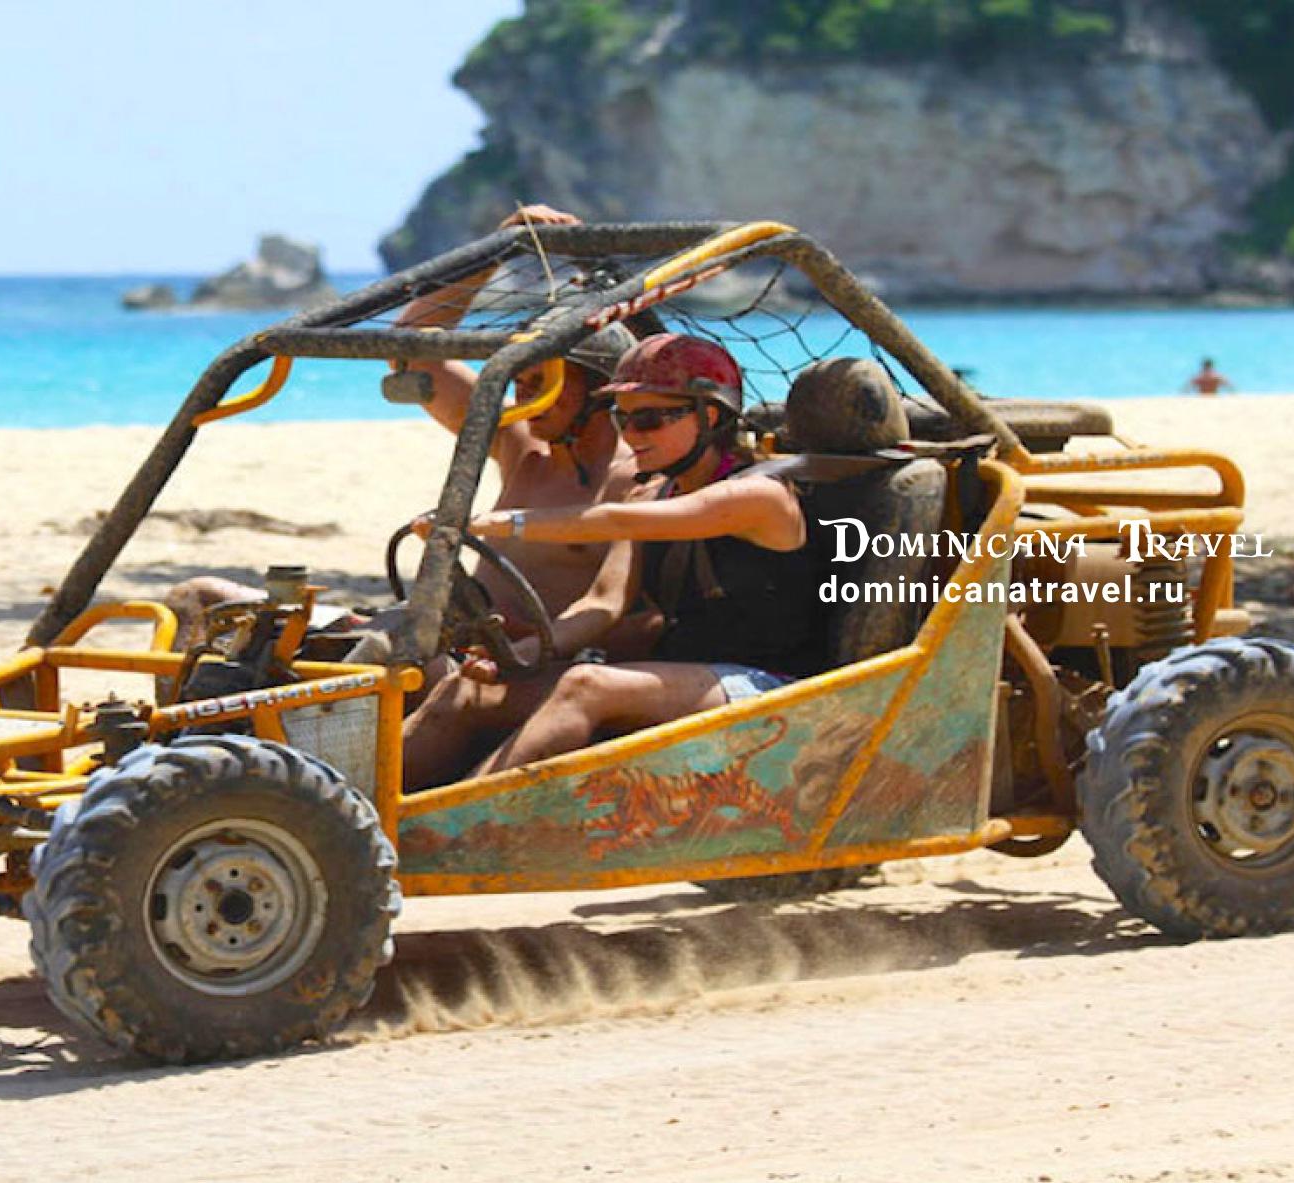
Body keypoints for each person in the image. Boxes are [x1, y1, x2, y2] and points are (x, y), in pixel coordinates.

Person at [164, 204, 640, 674]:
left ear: (600, 390)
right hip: (434, 630)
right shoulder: (523, 448)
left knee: (377, 656)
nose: (524, 395)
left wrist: (532, 645)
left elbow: (630, 614)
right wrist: (495, 256)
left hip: (498, 662)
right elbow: (412, 349)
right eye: (520, 379)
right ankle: (182, 721)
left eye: (543, 382)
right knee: (197, 599)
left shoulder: (632, 481)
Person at [404, 338, 897, 788]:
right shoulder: (651, 491)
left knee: (586, 686)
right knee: (464, 692)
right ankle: (378, 817)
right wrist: (523, 652)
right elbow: (603, 603)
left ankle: (453, 828)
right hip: (681, 675)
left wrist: (486, 524)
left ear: (709, 416)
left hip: (773, 687)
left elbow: (615, 520)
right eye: (623, 419)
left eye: (650, 420)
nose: (632, 435)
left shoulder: (760, 497)